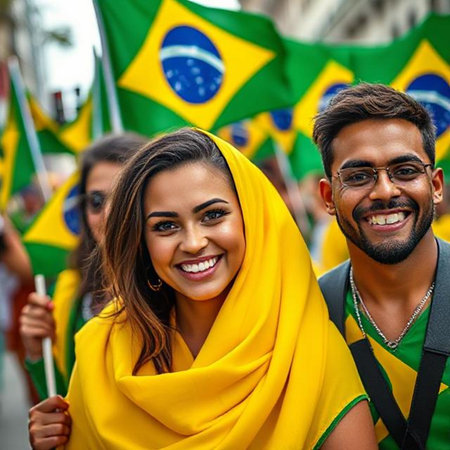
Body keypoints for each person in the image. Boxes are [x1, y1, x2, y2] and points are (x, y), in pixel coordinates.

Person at [28, 128, 377, 449]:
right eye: (165, 226)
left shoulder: (310, 348)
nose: (194, 243)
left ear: (250, 217)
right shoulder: (102, 350)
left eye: (212, 215)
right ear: (141, 242)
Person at [314, 83, 449, 449]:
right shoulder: (310, 314)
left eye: (405, 170)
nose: (385, 191)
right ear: (328, 197)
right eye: (358, 176)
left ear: (435, 185)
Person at [20, 133, 147, 400]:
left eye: (124, 196)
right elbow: (63, 400)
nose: (109, 214)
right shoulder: (67, 292)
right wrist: (37, 350)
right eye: (97, 202)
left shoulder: (181, 289)